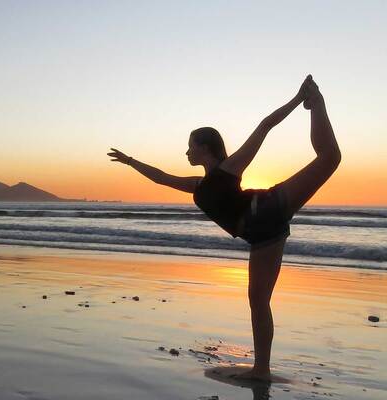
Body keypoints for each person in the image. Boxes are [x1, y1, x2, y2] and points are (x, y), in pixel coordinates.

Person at [107, 75, 340, 381]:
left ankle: (315, 101)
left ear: (204, 147)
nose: (187, 152)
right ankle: (262, 369)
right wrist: (130, 161)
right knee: (258, 300)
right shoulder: (197, 185)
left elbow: (264, 127)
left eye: (190, 146)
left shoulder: (229, 168)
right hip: (261, 235)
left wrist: (298, 100)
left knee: (330, 158)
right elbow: (160, 177)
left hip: (268, 208)